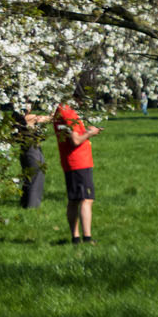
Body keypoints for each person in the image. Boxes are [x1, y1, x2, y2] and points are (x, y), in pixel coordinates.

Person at [54, 101, 102, 244]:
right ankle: (87, 238)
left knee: (74, 200)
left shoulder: (61, 110)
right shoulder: (67, 112)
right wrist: (90, 133)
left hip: (72, 162)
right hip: (79, 162)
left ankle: (75, 238)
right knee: (86, 199)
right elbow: (75, 140)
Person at [12, 107, 52, 210]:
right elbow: (45, 118)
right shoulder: (29, 118)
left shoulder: (17, 118)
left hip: (26, 150)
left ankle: (25, 203)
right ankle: (32, 206)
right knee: (35, 178)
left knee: (29, 178)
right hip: (32, 150)